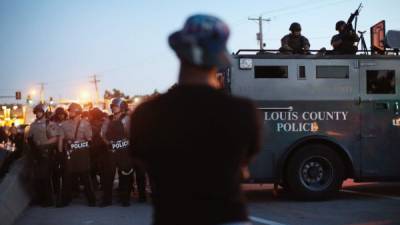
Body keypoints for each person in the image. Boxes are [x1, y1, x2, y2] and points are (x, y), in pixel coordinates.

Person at [130, 14, 262, 225]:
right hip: (229, 217)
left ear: (179, 52)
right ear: (219, 56)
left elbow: (143, 161)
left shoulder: (145, 114)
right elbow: (245, 162)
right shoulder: (243, 111)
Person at [100, 98, 146, 207]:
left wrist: (126, 143)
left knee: (125, 176)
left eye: (115, 106)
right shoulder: (108, 119)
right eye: (112, 106)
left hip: (124, 152)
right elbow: (102, 134)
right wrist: (108, 143)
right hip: (111, 152)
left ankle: (125, 199)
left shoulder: (126, 119)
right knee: (108, 177)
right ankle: (107, 200)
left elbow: (132, 134)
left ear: (121, 107)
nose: (113, 108)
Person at [58, 103, 96, 207]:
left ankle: (92, 200)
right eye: (69, 111)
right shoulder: (64, 124)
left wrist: (80, 144)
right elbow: (61, 139)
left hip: (82, 154)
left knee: (85, 178)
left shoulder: (85, 124)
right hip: (69, 154)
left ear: (78, 112)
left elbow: (89, 140)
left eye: (72, 111)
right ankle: (65, 200)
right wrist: (60, 153)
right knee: (67, 178)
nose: (69, 112)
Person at [26, 104, 59, 207]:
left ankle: (49, 200)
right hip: (35, 153)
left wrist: (43, 144)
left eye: (40, 111)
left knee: (45, 177)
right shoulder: (33, 124)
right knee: (37, 177)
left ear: (43, 112)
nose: (38, 113)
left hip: (46, 152)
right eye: (36, 112)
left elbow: (55, 138)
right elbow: (29, 138)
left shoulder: (49, 123)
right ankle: (40, 199)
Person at [51, 107, 68, 204]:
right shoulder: (52, 124)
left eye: (62, 114)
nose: (61, 116)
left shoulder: (68, 122)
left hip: (65, 150)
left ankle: (65, 195)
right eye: (59, 114)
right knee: (56, 174)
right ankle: (57, 194)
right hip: (55, 151)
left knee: (66, 174)